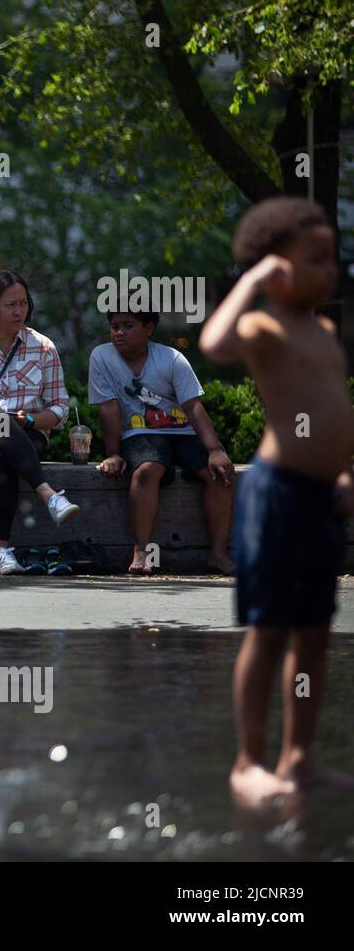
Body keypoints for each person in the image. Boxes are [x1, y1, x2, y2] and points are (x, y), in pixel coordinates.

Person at [199, 196, 354, 806]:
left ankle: (299, 759)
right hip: (277, 493)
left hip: (320, 495)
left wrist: (341, 474)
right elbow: (214, 340)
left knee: (314, 630)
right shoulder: (264, 325)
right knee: (269, 630)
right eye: (315, 260)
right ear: (275, 268)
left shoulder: (322, 330)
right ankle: (247, 761)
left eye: (333, 258)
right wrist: (254, 281)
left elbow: (325, 408)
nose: (331, 271)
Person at [88, 307, 234, 575]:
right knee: (147, 470)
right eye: (115, 326)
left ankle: (218, 553)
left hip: (183, 432)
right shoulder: (102, 356)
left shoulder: (172, 358)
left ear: (149, 329)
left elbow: (192, 406)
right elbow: (108, 408)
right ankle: (142, 550)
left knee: (220, 473)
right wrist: (113, 453)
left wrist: (214, 449)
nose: (119, 332)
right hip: (139, 433)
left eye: (128, 326)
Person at [0, 270, 79, 575]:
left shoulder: (43, 346)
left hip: (27, 434)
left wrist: (30, 419)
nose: (20, 311)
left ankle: (0, 553)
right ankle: (48, 494)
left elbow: (59, 409)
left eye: (24, 303)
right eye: (10, 305)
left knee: (2, 454)